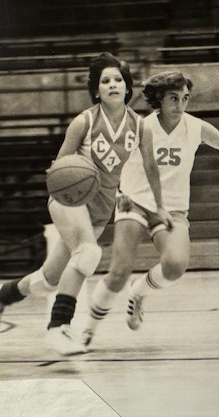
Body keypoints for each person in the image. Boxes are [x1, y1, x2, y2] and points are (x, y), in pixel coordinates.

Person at [81, 70, 219, 347]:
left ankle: (138, 293)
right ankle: (87, 330)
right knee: (118, 271)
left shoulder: (196, 127)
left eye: (185, 98)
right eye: (174, 98)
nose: (180, 105)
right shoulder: (140, 127)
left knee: (174, 266)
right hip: (134, 201)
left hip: (173, 209)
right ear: (159, 99)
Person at [0, 53, 172, 355]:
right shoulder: (84, 121)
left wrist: (160, 206)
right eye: (105, 81)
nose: (112, 84)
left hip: (100, 208)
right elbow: (59, 166)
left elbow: (150, 167)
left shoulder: (140, 126)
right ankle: (58, 329)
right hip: (68, 199)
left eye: (118, 79)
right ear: (96, 90)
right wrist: (66, 177)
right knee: (88, 253)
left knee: (47, 281)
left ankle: (3, 295)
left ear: (127, 86)